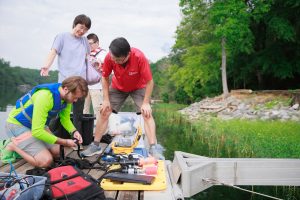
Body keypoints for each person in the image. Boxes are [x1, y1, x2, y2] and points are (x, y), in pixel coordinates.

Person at [81, 37, 163, 159]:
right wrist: (106, 100)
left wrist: (146, 103)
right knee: (104, 111)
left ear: (128, 55)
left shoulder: (139, 57)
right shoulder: (110, 57)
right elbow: (105, 77)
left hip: (138, 87)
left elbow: (150, 82)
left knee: (146, 113)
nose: (115, 61)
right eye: (113, 58)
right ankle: (95, 145)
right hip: (118, 86)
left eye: (118, 59)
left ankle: (153, 147)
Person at [0, 76, 88, 167]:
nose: (76, 100)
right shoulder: (44, 96)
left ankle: (32, 145)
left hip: (36, 125)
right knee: (46, 161)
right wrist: (65, 142)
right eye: (75, 97)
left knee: (59, 153)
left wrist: (74, 131)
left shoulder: (66, 99)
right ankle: (13, 146)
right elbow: (37, 131)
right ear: (66, 89)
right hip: (17, 125)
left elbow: (65, 119)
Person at [40, 14, 91, 135]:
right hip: (65, 84)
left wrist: (97, 62)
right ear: (75, 24)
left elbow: (88, 57)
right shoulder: (62, 37)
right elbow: (53, 52)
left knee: (78, 115)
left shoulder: (84, 41)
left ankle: (76, 140)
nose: (82, 31)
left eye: (86, 29)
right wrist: (46, 66)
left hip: (81, 83)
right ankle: (49, 138)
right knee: (56, 113)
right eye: (81, 27)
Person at [83, 33, 106, 121]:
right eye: (87, 44)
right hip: (85, 85)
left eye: (91, 43)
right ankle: (85, 130)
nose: (89, 46)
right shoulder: (85, 53)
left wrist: (94, 60)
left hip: (97, 86)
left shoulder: (103, 53)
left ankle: (101, 132)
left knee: (98, 109)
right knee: (84, 109)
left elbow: (102, 65)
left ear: (97, 43)